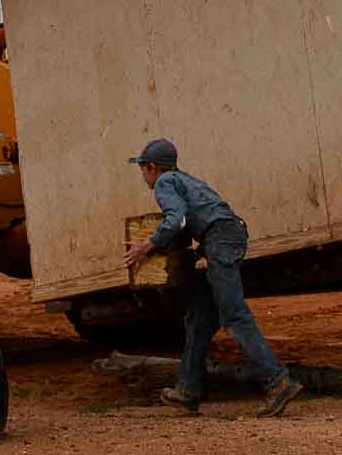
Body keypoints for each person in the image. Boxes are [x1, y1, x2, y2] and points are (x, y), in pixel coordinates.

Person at [122, 138, 304, 418]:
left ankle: (278, 381)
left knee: (234, 316)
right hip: (223, 237)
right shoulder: (184, 179)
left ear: (151, 167)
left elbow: (177, 220)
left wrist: (146, 246)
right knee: (198, 317)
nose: (143, 176)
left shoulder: (164, 182)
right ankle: (188, 391)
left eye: (142, 170)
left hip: (220, 239)